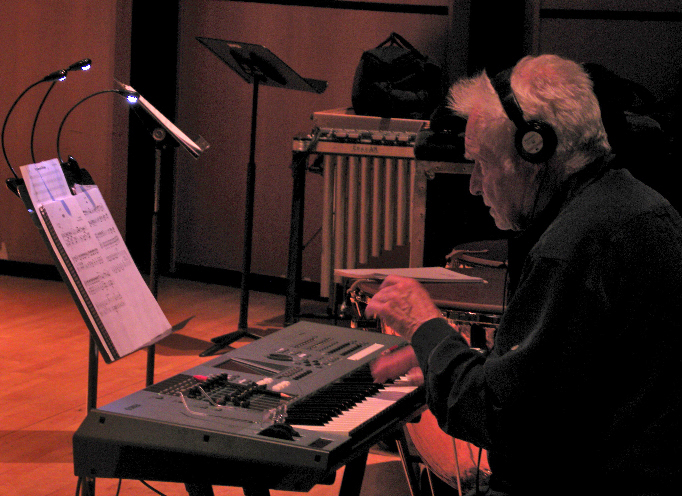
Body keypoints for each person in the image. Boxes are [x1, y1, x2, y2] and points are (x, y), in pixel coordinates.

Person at [366, 54, 682, 495]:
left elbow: (504, 419)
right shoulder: (645, 208)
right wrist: (443, 365)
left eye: (482, 163)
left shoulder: (570, 248)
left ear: (535, 150)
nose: (475, 186)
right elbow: (557, 388)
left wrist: (425, 326)